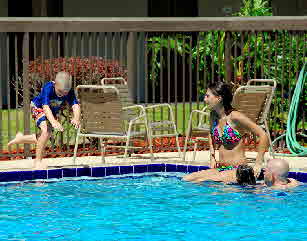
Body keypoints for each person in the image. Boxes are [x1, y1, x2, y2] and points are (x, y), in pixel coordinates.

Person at [184, 81, 269, 181]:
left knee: (204, 181)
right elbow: (211, 134)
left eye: (207, 96)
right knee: (187, 179)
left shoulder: (235, 116)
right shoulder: (213, 116)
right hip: (222, 169)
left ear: (219, 98)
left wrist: (258, 163)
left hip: (238, 170)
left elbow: (263, 135)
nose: (204, 99)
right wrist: (212, 156)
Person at [8, 72, 80, 170]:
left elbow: (75, 105)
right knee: (46, 131)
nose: (62, 95)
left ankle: (20, 138)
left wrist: (76, 118)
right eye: (60, 92)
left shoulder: (69, 91)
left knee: (45, 136)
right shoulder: (48, 87)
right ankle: (38, 162)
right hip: (38, 107)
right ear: (54, 84)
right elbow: (45, 107)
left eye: (65, 93)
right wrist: (53, 121)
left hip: (51, 112)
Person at [183, 164, 256, 185]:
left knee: (187, 178)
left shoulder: (227, 179)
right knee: (187, 178)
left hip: (232, 172)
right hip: (227, 169)